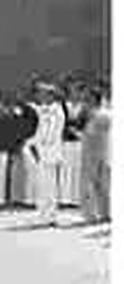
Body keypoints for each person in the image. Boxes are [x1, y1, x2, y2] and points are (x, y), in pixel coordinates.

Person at [24, 81, 66, 227]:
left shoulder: (56, 111)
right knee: (43, 185)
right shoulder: (45, 110)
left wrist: (34, 143)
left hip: (49, 152)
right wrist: (32, 142)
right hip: (43, 151)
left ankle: (50, 216)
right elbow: (39, 126)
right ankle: (45, 215)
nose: (39, 96)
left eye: (42, 93)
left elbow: (50, 134)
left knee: (49, 185)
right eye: (38, 93)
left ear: (50, 95)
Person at [81, 81, 111, 225]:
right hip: (103, 152)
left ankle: (91, 215)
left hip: (92, 152)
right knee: (103, 185)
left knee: (89, 185)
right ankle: (105, 213)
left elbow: (90, 132)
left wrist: (81, 132)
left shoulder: (95, 114)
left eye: (89, 97)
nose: (86, 100)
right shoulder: (107, 113)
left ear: (94, 99)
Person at [59, 80, 90, 208]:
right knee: (66, 170)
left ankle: (76, 199)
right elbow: (60, 123)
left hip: (79, 141)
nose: (76, 94)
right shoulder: (63, 106)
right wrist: (67, 130)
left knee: (77, 169)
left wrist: (80, 132)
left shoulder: (85, 108)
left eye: (78, 91)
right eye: (73, 91)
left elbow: (87, 123)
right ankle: (64, 199)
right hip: (66, 141)